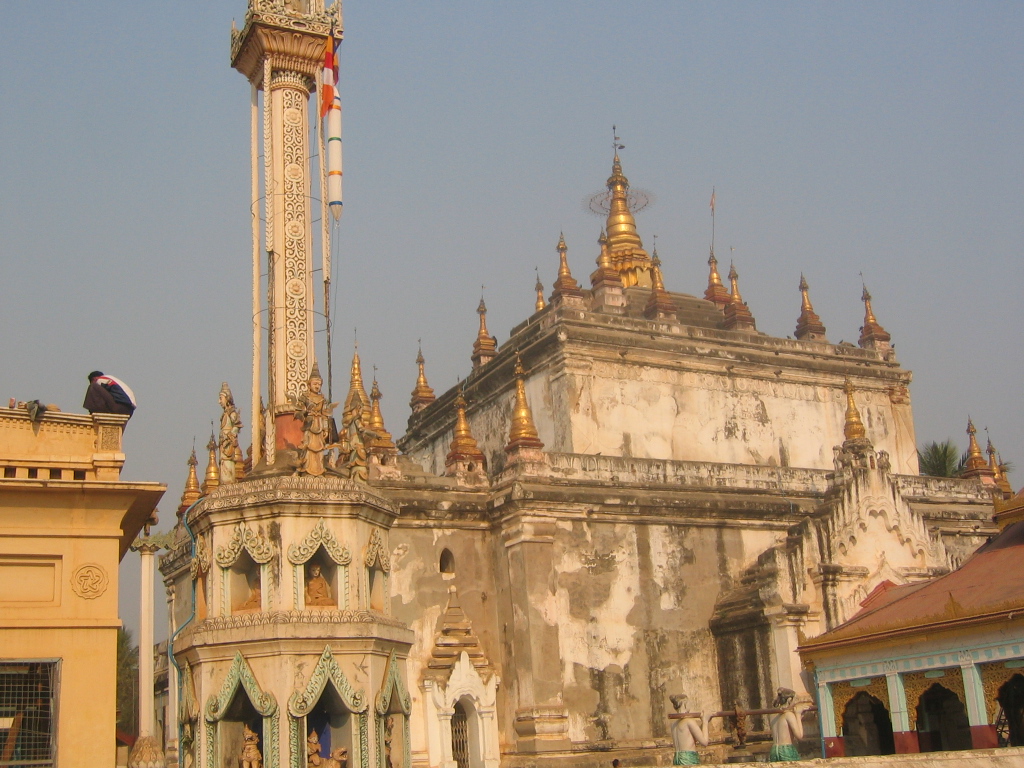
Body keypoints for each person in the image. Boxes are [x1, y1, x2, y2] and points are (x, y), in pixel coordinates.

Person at [768, 688, 809, 762]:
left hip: (774, 750)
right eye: (795, 701)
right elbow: (799, 736)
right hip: (786, 749)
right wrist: (798, 715)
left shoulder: (773, 715)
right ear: (789, 700)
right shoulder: (789, 715)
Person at [669, 694, 710, 765]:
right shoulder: (689, 721)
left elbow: (692, 737)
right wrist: (705, 722)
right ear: (685, 704)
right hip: (688, 760)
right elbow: (704, 742)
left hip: (677, 760)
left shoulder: (674, 724)